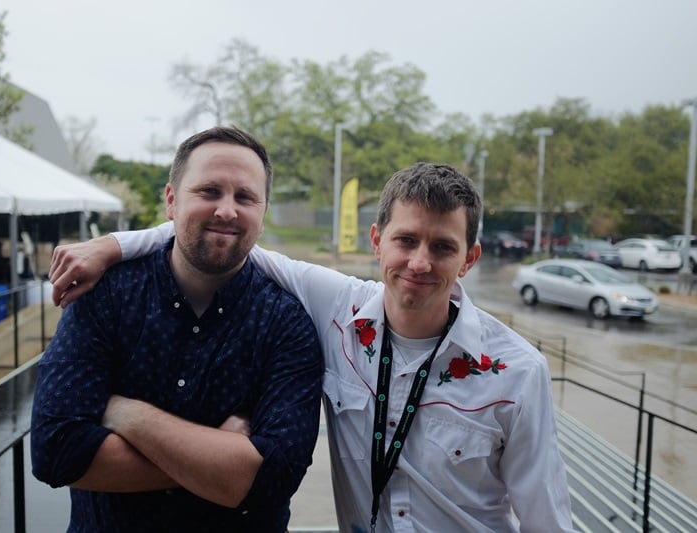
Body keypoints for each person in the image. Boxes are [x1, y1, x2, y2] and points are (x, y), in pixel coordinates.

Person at [49, 162, 575, 532]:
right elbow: (224, 233)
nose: (419, 263)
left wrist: (126, 414)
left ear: (470, 258)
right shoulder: (338, 309)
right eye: (406, 240)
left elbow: (546, 520)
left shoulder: (517, 371)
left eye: (443, 248)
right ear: (376, 241)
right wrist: (113, 245)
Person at [31, 126, 324, 532]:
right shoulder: (106, 297)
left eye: (244, 197)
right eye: (208, 191)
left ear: (264, 210)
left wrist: (126, 414)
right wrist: (221, 457)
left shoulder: (288, 323)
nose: (226, 210)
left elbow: (272, 479)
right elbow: (55, 453)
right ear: (171, 200)